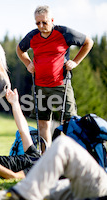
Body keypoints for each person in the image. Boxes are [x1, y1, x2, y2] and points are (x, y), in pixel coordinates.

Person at [16, 5, 94, 148]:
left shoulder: (64, 33)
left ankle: (68, 159)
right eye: (37, 23)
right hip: (40, 86)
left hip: (61, 86)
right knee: (42, 125)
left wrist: (75, 62)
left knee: (70, 124)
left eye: (44, 22)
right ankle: (46, 158)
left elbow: (88, 42)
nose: (41, 26)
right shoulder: (32, 36)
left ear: (52, 20)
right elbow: (20, 49)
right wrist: (28, 64)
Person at [0, 89, 41, 180]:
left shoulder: (37, 169)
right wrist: (15, 103)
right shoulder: (36, 156)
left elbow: (14, 176)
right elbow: (24, 130)